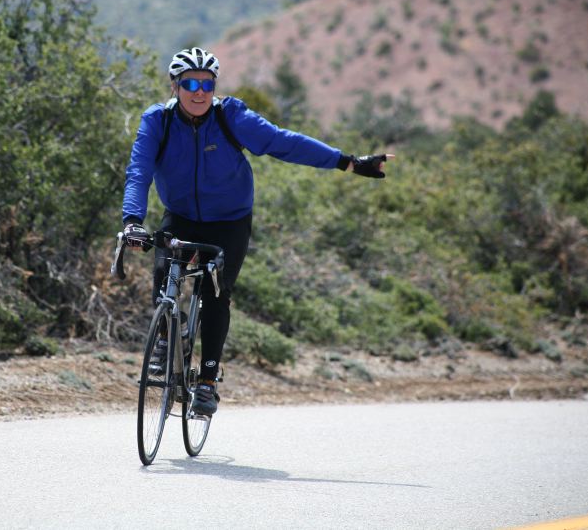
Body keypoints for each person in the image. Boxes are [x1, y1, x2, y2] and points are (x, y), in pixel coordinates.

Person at [120, 47, 392, 416]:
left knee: (217, 294)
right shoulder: (158, 121)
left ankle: (207, 382)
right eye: (190, 84)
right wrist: (132, 220)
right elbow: (139, 171)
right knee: (162, 271)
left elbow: (283, 142)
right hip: (181, 215)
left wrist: (346, 162)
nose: (199, 92)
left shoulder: (230, 115)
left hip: (230, 220)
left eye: (207, 84)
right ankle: (168, 341)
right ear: (175, 86)